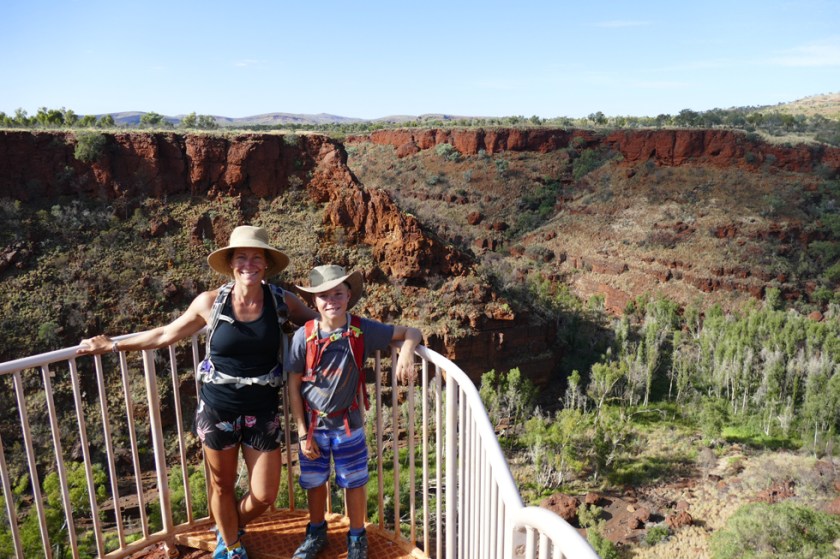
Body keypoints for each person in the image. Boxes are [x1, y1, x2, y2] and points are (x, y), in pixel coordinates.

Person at [77, 225, 317, 559]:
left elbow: (321, 324)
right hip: (218, 408)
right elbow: (164, 335)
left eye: (256, 257)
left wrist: (383, 335)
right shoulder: (211, 303)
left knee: (264, 495)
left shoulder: (281, 301)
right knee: (221, 484)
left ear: (266, 264)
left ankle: (227, 527)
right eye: (242, 257)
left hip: (263, 409)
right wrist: (112, 344)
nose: (249, 264)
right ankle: (232, 546)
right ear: (231, 263)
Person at [286, 264, 422, 559]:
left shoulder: (360, 329)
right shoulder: (303, 337)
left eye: (338, 293)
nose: (331, 300)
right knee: (314, 481)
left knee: (354, 480)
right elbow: (293, 385)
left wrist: (405, 354)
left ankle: (357, 538)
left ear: (349, 296)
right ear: (314, 302)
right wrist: (300, 431)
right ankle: (316, 532)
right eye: (323, 295)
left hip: (349, 423)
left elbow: (411, 331)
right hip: (313, 426)